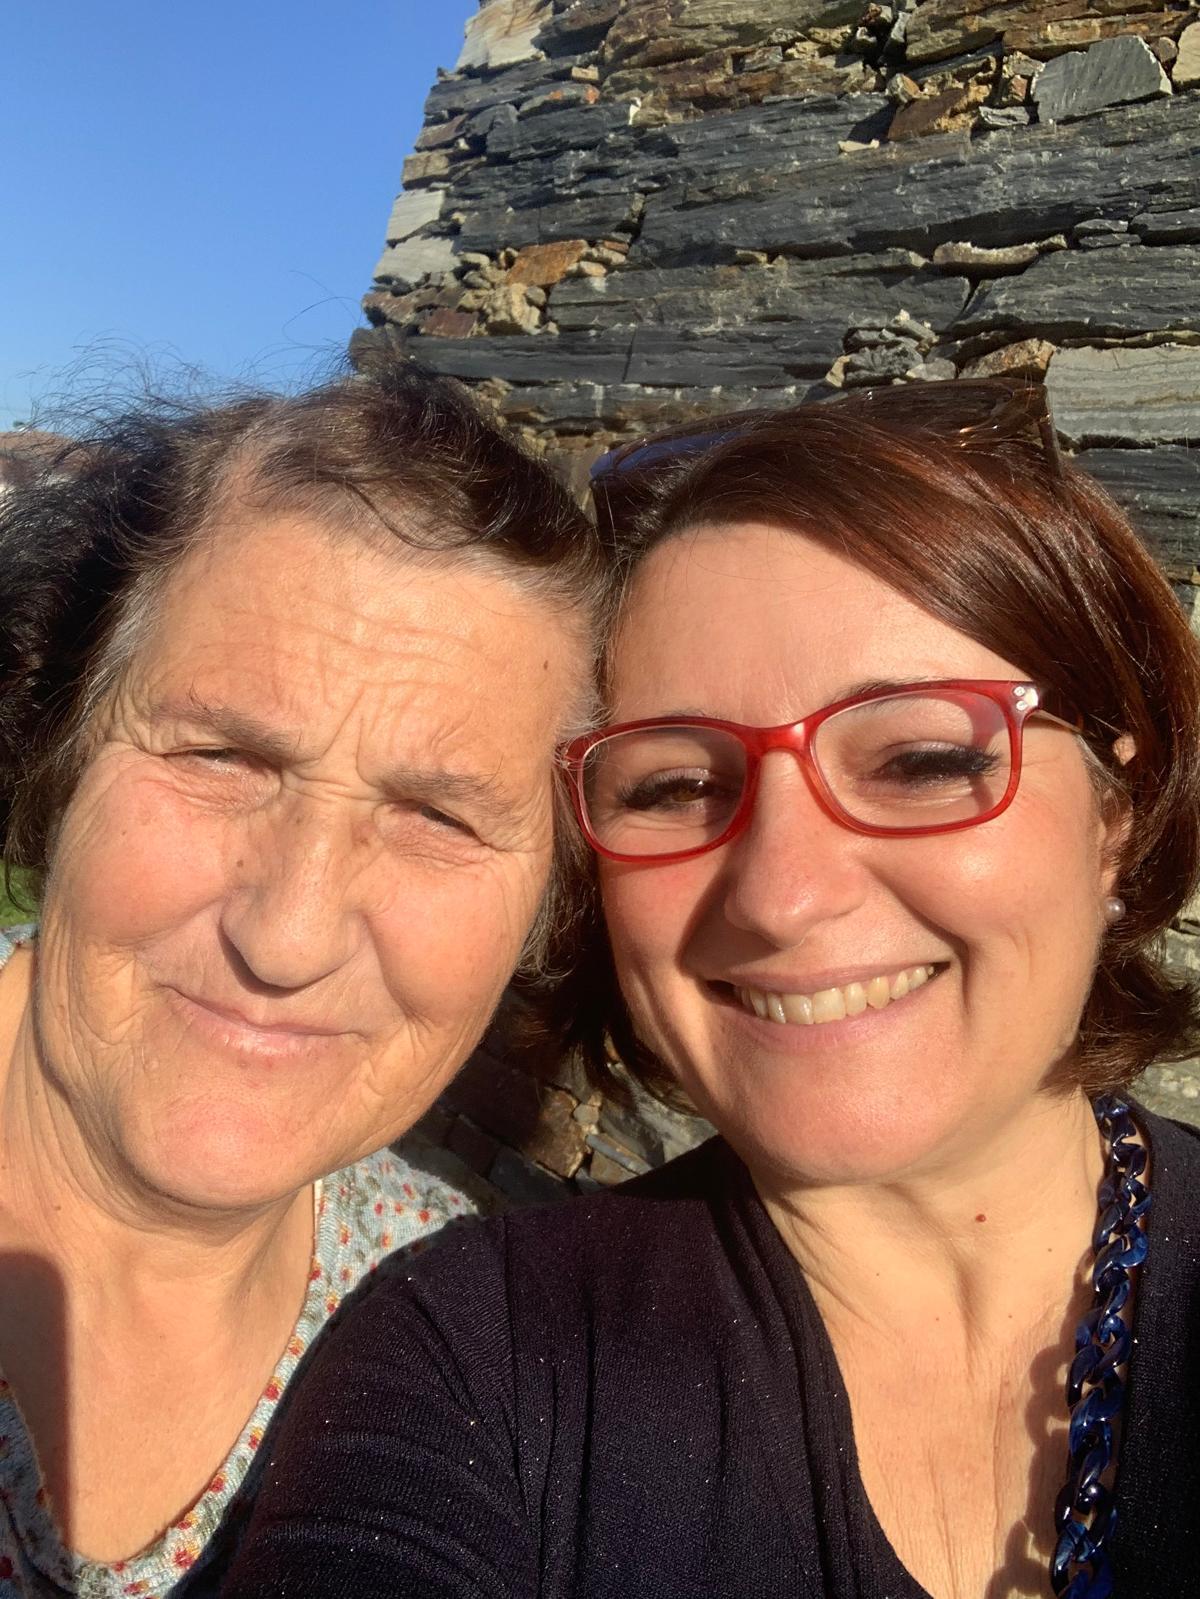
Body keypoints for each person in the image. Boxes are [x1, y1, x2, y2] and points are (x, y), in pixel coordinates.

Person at [220, 381, 1200, 1599]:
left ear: (1116, 813)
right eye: (676, 787)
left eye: (919, 759)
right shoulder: (477, 1365)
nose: (780, 897)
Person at [0, 361, 604, 1596]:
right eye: (221, 756)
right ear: (63, 756)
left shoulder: (467, 1329)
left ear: (549, 906)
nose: (287, 936)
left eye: (438, 816)